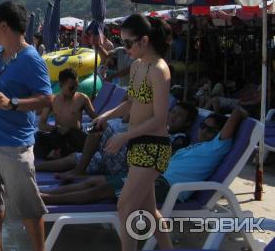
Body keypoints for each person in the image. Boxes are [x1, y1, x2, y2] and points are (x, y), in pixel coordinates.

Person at [0, 1, 53, 251]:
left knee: (28, 206)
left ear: (4, 25)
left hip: (15, 146)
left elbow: (47, 98)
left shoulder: (31, 59)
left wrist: (12, 103)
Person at [39, 108, 246, 207]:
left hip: (166, 187)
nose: (203, 130)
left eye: (210, 130)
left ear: (219, 134)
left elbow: (235, 115)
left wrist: (240, 113)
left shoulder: (217, 147)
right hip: (152, 176)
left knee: (103, 190)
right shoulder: (196, 146)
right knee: (95, 180)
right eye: (202, 125)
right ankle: (42, 193)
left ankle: (48, 200)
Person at [92, 14, 172, 251]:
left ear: (144, 41)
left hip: (153, 147)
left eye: (128, 43)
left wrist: (124, 135)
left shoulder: (159, 70)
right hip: (137, 144)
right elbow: (130, 103)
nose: (123, 48)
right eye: (121, 41)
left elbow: (160, 119)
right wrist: (104, 116)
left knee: (125, 206)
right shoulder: (137, 67)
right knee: (149, 210)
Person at [36, 101, 197, 179]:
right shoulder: (160, 126)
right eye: (173, 112)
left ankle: (79, 168)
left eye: (179, 115)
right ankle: (35, 168)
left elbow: (165, 156)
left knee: (98, 126)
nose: (173, 116)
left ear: (188, 123)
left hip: (132, 165)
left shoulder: (179, 138)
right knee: (75, 156)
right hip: (116, 155)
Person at [34, 69, 96, 159]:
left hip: (75, 136)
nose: (74, 90)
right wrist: (56, 128)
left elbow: (96, 118)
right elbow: (41, 124)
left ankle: (57, 154)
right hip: (58, 135)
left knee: (84, 142)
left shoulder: (82, 99)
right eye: (71, 88)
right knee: (38, 138)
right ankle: (59, 153)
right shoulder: (52, 100)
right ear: (61, 85)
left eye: (76, 86)